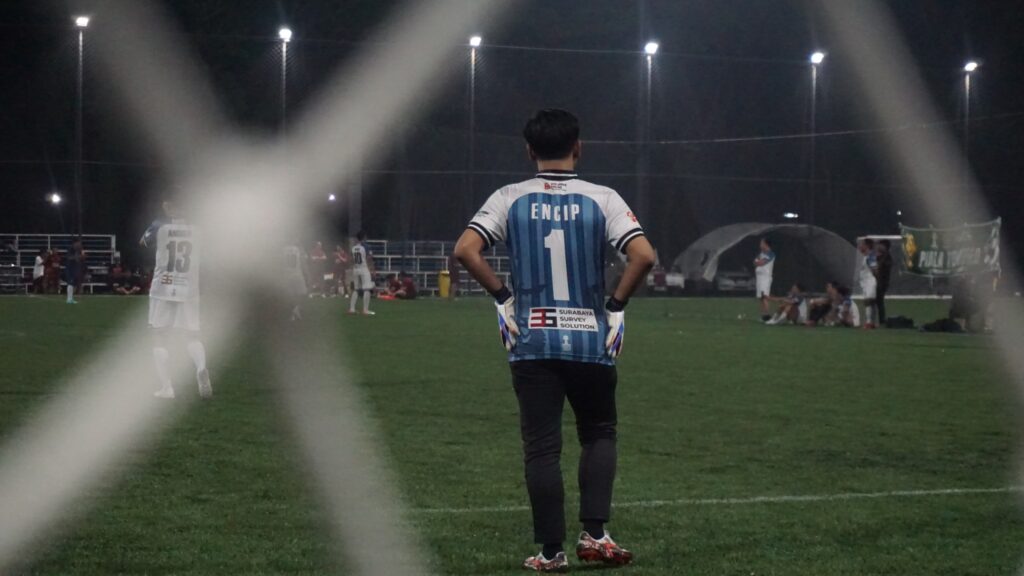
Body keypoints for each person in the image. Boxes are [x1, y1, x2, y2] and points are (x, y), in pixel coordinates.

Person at [454, 109, 655, 572]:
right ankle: (596, 535)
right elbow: (643, 255)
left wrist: (503, 298)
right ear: (578, 147)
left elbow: (465, 249)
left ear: (529, 151)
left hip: (532, 340)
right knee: (599, 433)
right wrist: (616, 306)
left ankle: (550, 552)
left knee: (542, 448)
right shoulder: (603, 198)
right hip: (590, 341)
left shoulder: (509, 197)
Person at [140, 199, 211, 399]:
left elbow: (143, 242)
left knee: (159, 335)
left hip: (163, 286)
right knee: (192, 334)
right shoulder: (198, 228)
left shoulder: (159, 225)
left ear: (169, 205)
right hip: (188, 287)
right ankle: (201, 368)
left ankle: (167, 387)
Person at [349, 231, 375, 315]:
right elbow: (369, 258)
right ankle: (365, 310)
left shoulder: (353, 248)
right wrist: (372, 269)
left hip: (356, 268)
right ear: (364, 237)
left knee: (356, 289)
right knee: (367, 288)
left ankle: (352, 309)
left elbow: (351, 259)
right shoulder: (366, 246)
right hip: (364, 268)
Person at [284, 243, 309, 321]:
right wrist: (307, 274)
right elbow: (303, 263)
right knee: (303, 293)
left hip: (287, 274)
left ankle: (293, 312)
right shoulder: (299, 249)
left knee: (291, 294)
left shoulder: (284, 249)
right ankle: (296, 309)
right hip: (297, 274)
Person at [858, 238, 879, 329]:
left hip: (870, 281)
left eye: (862, 244)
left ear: (866, 246)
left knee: (868, 301)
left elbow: (875, 270)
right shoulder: (865, 256)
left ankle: (869, 322)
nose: (860, 246)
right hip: (865, 282)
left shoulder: (871, 256)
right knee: (870, 302)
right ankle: (872, 322)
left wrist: (876, 279)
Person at [754, 238, 775, 322]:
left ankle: (768, 315)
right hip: (759, 278)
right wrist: (758, 262)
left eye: (762, 243)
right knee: (761, 297)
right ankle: (764, 315)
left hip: (765, 278)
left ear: (766, 244)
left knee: (764, 296)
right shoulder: (761, 254)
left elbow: (761, 263)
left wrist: (758, 262)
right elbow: (755, 262)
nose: (760, 245)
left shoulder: (771, 254)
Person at [875, 239, 893, 324]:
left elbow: (883, 268)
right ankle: (878, 319)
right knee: (877, 301)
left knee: (879, 301)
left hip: (882, 283)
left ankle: (881, 320)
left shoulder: (887, 258)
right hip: (877, 282)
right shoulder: (878, 257)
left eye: (880, 245)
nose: (878, 246)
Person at [63, 238, 85, 304]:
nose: (80, 244)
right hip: (70, 268)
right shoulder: (71, 249)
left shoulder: (78, 250)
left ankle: (71, 298)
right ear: (75, 243)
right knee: (70, 283)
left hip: (74, 268)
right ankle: (69, 299)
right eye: (79, 243)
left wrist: (81, 257)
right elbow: (69, 257)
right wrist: (79, 257)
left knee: (72, 284)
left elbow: (80, 258)